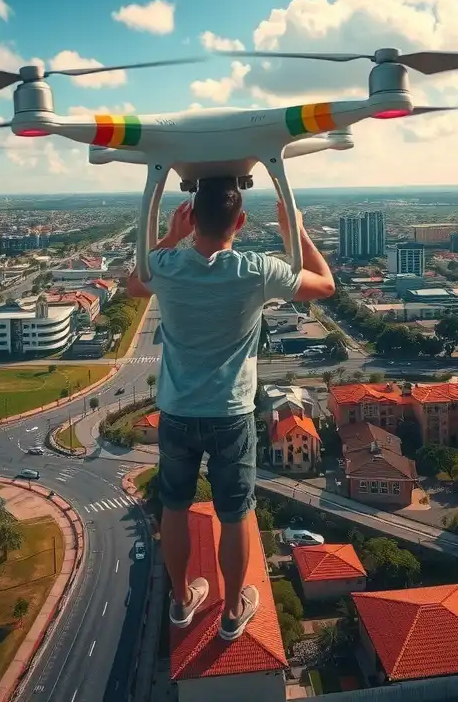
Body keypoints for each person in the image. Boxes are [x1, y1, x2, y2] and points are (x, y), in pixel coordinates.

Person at [125, 177, 335, 642]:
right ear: (239, 222)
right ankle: (234, 608)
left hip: (176, 413)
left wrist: (169, 237)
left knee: (176, 508)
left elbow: (132, 285)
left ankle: (181, 600)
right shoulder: (256, 271)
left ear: (193, 217)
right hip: (231, 414)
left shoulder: (167, 264)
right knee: (236, 514)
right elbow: (325, 286)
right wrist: (295, 231)